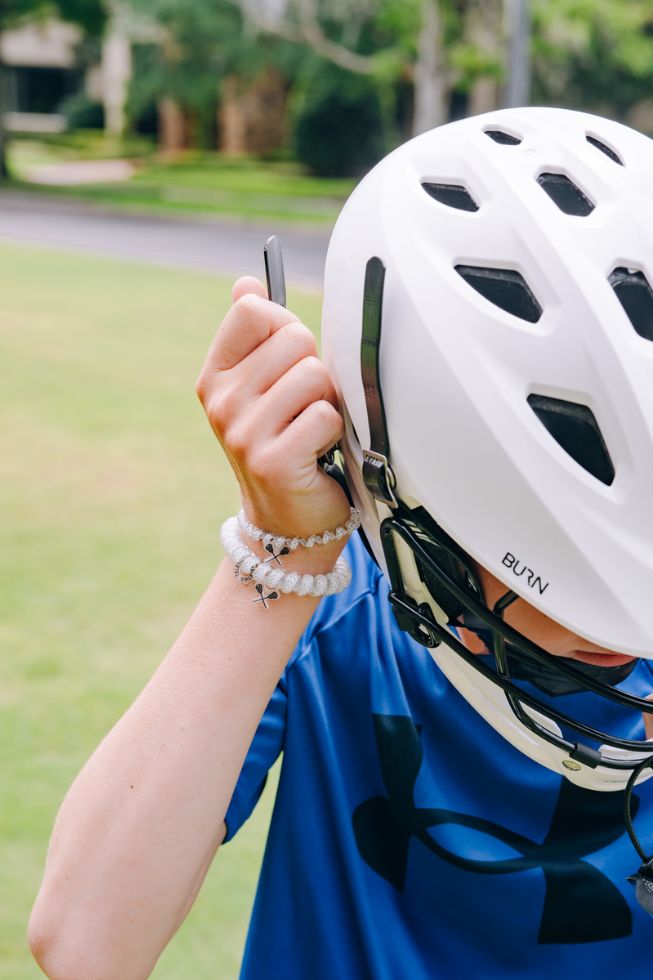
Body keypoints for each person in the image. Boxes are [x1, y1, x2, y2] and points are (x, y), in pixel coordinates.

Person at [29, 107, 653, 979]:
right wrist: (279, 551)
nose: (623, 621)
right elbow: (85, 939)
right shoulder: (335, 605)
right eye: (562, 545)